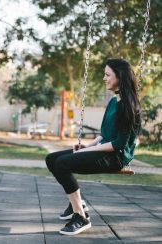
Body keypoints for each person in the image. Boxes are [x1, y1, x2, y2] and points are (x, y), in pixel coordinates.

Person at [45, 58, 141, 235]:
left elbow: (119, 144)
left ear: (120, 76)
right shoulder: (113, 101)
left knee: (63, 164)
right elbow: (104, 134)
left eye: (107, 75)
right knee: (52, 159)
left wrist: (89, 150)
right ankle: (78, 203)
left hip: (117, 156)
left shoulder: (129, 106)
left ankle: (80, 216)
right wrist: (86, 146)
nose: (104, 78)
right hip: (105, 149)